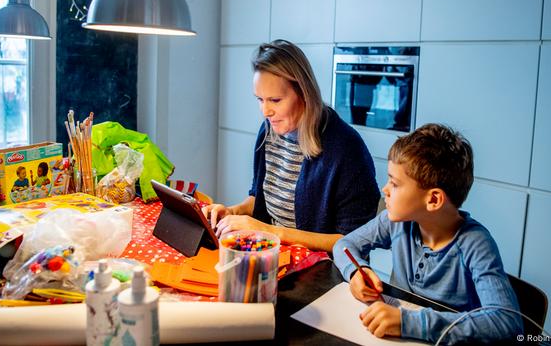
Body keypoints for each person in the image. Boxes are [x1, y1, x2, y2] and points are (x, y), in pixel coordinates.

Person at [333, 123, 523, 344]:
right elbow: (344, 245)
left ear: (433, 199)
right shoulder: (397, 222)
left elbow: (506, 322)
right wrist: (357, 272)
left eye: (394, 183)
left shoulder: (475, 243)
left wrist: (410, 323)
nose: (385, 190)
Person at [204, 39, 380, 252]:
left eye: (275, 100)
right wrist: (234, 212)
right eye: (260, 99)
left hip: (324, 271)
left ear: (304, 93)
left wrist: (270, 232)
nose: (265, 111)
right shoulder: (268, 132)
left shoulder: (346, 149)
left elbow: (354, 240)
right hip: (272, 255)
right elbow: (259, 197)